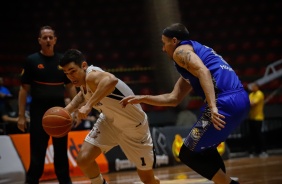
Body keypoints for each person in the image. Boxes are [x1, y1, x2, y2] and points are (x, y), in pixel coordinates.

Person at [120, 23, 250, 184]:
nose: (163, 48)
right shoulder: (195, 56)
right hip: (241, 99)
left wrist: (213, 106)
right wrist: (143, 98)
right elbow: (173, 99)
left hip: (224, 102)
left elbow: (204, 72)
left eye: (164, 43)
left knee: (187, 154)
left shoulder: (181, 51)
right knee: (205, 149)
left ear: (174, 41)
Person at [59, 49, 160, 184]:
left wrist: (89, 105)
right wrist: (68, 110)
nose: (70, 76)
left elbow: (111, 80)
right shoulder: (83, 82)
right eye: (66, 73)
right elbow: (83, 95)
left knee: (148, 179)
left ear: (84, 66)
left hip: (134, 127)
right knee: (83, 159)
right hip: (109, 122)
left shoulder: (92, 76)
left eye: (72, 71)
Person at [17, 26, 77, 184]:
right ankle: (31, 181)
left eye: (51, 37)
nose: (48, 40)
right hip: (38, 113)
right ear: (39, 41)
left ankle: (65, 182)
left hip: (60, 112)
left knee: (61, 153)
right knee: (37, 154)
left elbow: (70, 86)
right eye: (45, 38)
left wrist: (76, 111)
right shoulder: (32, 60)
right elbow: (24, 90)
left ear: (55, 40)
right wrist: (21, 116)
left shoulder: (63, 61)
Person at [248, 83, 268, 158]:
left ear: (257, 87)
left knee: (259, 135)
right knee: (253, 135)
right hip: (252, 117)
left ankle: (264, 151)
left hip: (258, 118)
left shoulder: (259, 94)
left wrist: (248, 103)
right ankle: (256, 151)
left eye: (253, 86)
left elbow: (252, 103)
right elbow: (248, 103)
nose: (251, 88)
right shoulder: (251, 94)